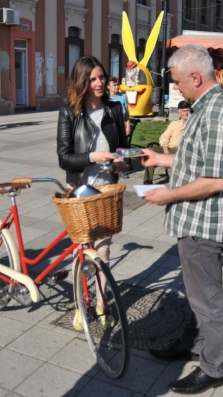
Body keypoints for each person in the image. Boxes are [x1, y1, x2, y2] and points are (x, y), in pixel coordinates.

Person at [141, 44, 223, 394]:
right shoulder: (205, 107)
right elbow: (198, 163)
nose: (176, 89)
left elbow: (217, 180)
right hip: (196, 220)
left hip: (205, 222)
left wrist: (167, 194)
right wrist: (159, 160)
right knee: (198, 293)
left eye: (177, 82)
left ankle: (213, 367)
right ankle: (196, 344)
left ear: (195, 77)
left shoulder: (216, 113)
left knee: (208, 298)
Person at [57, 56, 128, 330]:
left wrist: (122, 161)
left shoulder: (113, 110)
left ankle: (101, 303)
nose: (99, 83)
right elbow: (64, 158)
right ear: (82, 82)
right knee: (81, 249)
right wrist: (91, 156)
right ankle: (79, 304)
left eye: (102, 77)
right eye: (93, 79)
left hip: (105, 189)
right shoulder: (70, 111)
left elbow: (122, 147)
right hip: (78, 189)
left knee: (103, 251)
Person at [143, 100, 191, 184]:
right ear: (179, 112)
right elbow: (164, 137)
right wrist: (165, 150)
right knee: (150, 152)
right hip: (168, 148)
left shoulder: (192, 124)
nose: (186, 113)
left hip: (181, 150)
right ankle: (148, 180)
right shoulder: (174, 124)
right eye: (183, 111)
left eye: (187, 111)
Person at [107, 77, 131, 178]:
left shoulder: (122, 97)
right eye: (114, 85)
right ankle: (110, 167)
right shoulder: (106, 99)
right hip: (110, 126)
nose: (117, 87)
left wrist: (128, 126)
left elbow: (127, 113)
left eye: (118, 85)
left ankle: (120, 170)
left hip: (121, 126)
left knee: (121, 147)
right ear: (108, 87)